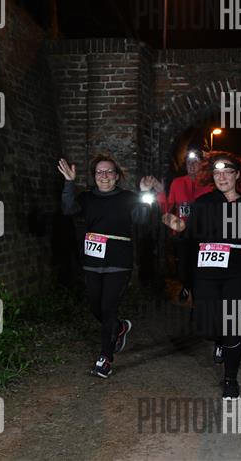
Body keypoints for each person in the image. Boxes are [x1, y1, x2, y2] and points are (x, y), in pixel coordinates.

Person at [162, 153, 241, 399]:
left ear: (237, 175)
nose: (221, 177)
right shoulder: (203, 204)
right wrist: (180, 229)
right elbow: (190, 238)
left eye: (227, 172)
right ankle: (219, 339)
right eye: (217, 173)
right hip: (206, 274)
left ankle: (231, 379)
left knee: (231, 326)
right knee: (207, 327)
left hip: (237, 275)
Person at [58, 155, 156, 378]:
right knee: (96, 307)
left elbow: (142, 219)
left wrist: (144, 193)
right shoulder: (87, 198)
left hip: (118, 261)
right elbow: (68, 209)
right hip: (93, 261)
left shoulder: (128, 197)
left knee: (108, 308)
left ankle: (105, 358)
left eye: (109, 171)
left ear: (117, 176)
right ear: (94, 176)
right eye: (99, 172)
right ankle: (119, 327)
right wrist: (69, 182)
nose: (104, 176)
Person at [161, 150, 212, 302]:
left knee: (199, 266)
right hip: (182, 232)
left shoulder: (209, 185)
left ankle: (196, 296)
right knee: (183, 267)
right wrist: (160, 193)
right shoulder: (177, 182)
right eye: (189, 163)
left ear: (202, 165)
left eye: (195, 162)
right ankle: (186, 285)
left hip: (203, 233)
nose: (191, 165)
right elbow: (167, 207)